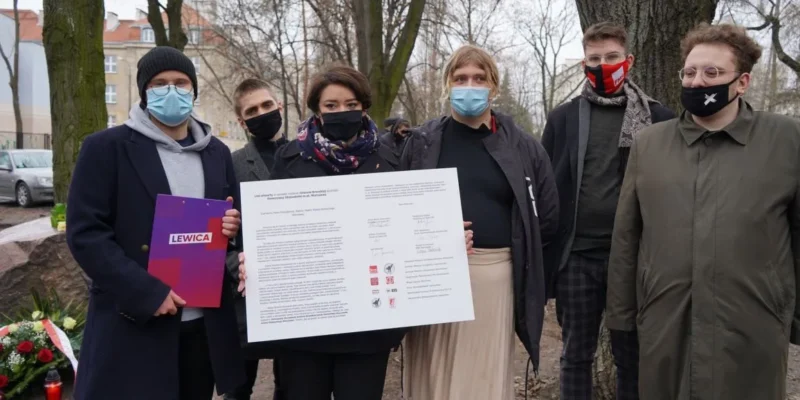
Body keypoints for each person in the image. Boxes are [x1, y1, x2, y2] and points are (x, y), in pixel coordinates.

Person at [606, 23, 800, 400]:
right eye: (690, 72)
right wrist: (621, 317)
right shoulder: (650, 144)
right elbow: (627, 236)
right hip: (666, 321)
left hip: (753, 324)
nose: (697, 82)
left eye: (712, 72)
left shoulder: (785, 140)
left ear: (742, 82)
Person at [65, 46, 245, 400]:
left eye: (181, 82)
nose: (172, 90)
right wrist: (146, 292)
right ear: (144, 91)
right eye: (160, 84)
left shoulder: (217, 153)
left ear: (193, 89)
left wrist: (232, 227)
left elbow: (232, 227)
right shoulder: (106, 148)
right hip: (135, 324)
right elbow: (86, 234)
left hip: (202, 328)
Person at [236, 65, 411, 400]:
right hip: (305, 329)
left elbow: (404, 231)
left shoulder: (389, 159)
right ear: (317, 108)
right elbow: (273, 231)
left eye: (350, 104)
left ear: (364, 106)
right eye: (331, 105)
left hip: (367, 329)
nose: (341, 111)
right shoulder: (290, 159)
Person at [399, 44, 559, 400]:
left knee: (480, 378)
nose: (469, 86)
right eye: (460, 78)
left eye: (479, 78)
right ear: (447, 84)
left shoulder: (524, 147)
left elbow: (546, 218)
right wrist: (433, 237)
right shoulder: (422, 143)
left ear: (493, 86)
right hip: (431, 278)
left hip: (492, 278)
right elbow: (397, 209)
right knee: (431, 375)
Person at [540, 22, 675, 400]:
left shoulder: (659, 119)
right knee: (575, 355)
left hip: (633, 259)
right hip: (577, 257)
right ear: (584, 63)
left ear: (628, 61)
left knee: (632, 357)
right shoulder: (564, 118)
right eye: (595, 59)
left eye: (612, 57)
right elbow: (546, 182)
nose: (603, 65)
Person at [223, 78, 288, 400]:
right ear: (241, 121)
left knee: (291, 386)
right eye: (252, 111)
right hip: (245, 297)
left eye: (267, 105)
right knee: (238, 389)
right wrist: (233, 263)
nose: (262, 113)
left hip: (294, 294)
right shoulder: (230, 165)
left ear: (280, 106)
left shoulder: (303, 158)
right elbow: (216, 231)